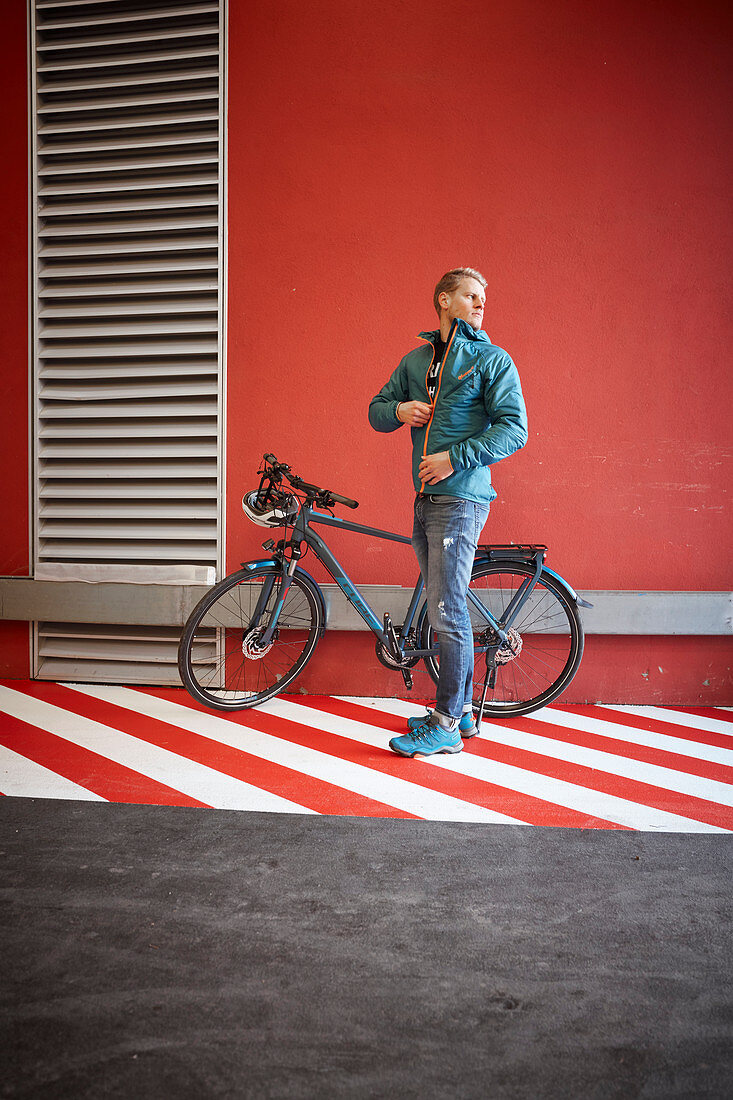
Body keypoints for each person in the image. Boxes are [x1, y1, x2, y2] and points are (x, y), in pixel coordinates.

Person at [368, 267, 528, 757]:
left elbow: (514, 430)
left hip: (461, 500)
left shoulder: (491, 359)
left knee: (446, 609)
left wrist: (454, 457)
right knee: (445, 606)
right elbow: (376, 408)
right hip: (425, 500)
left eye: (484, 297)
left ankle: (446, 726)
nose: (481, 304)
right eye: (470, 296)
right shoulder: (417, 360)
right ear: (443, 299)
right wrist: (400, 412)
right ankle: (459, 712)